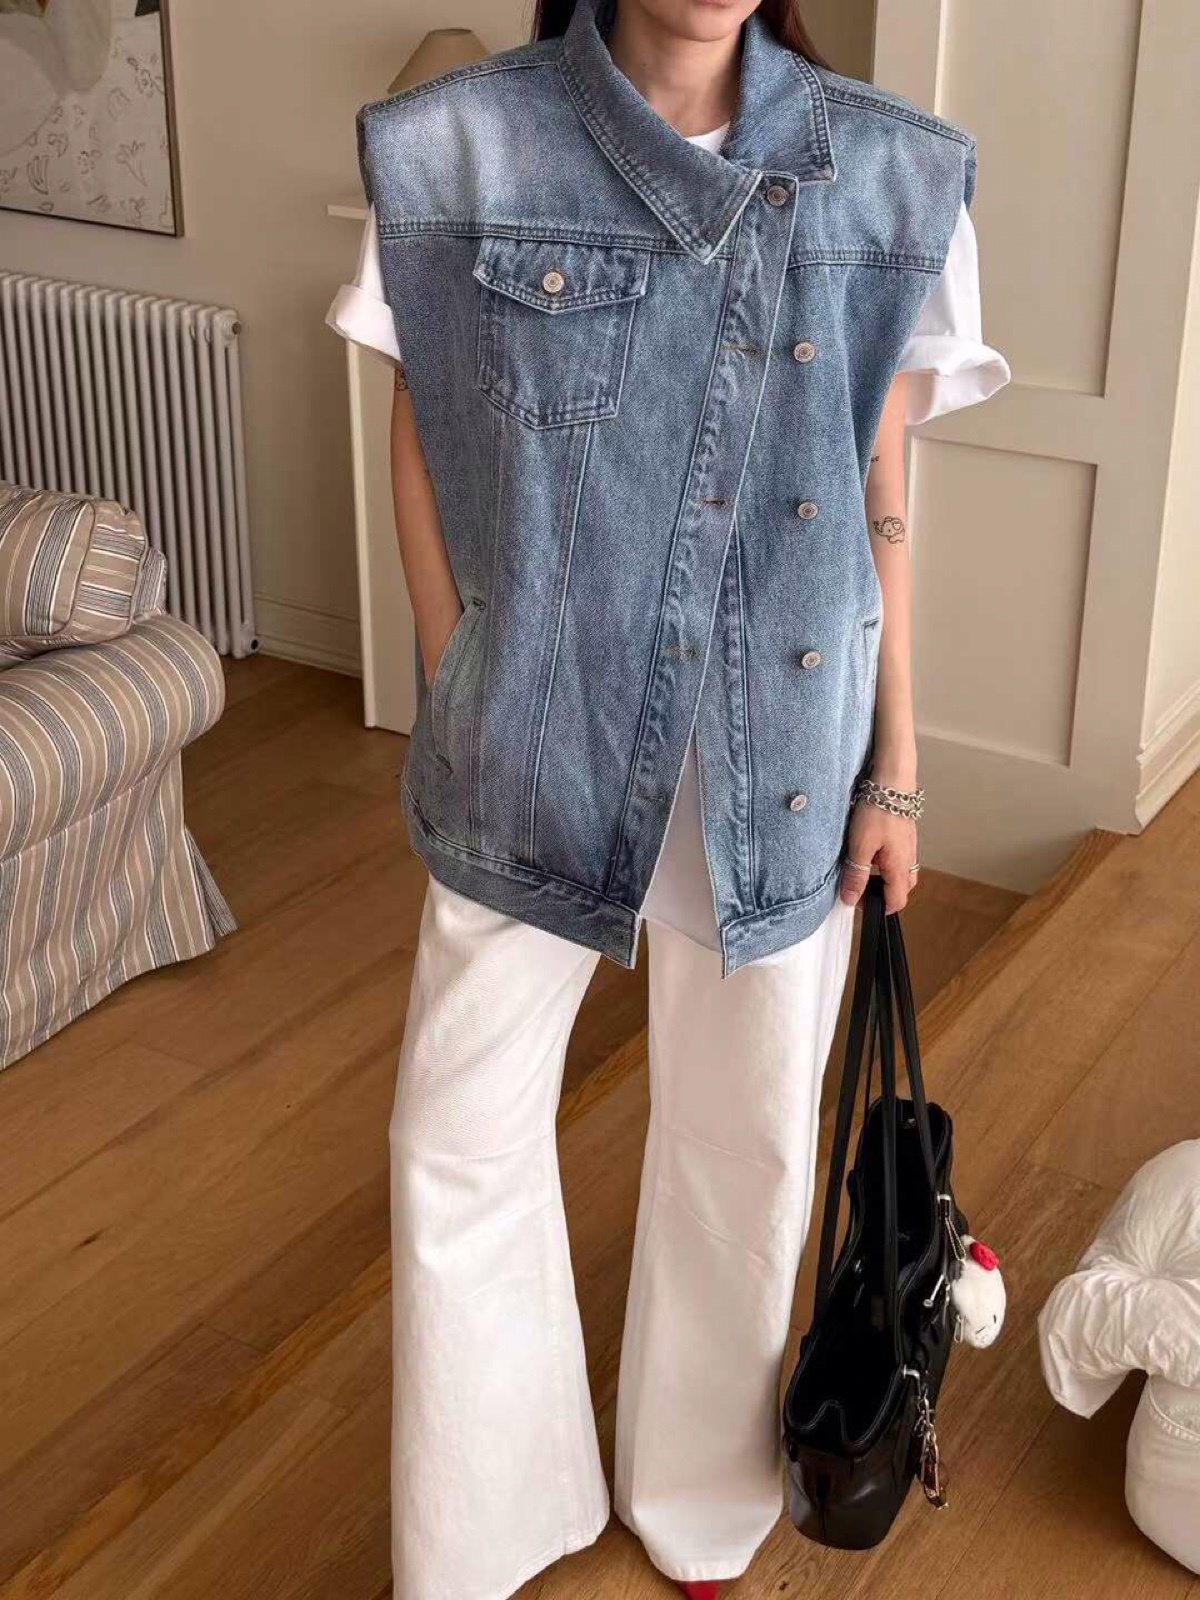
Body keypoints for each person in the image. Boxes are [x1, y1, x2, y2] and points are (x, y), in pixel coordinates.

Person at [326, 1, 1009, 1595]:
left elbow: (881, 482)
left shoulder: (890, 174)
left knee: (747, 1138)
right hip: (537, 736)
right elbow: (423, 431)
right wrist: (458, 679)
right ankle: (483, 1524)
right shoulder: (458, 150)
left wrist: (898, 768)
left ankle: (699, 1503)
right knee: (455, 1133)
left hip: (785, 733)